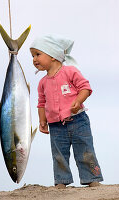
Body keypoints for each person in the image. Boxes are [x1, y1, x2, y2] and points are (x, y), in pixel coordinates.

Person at [30, 34, 103, 188]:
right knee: (59, 155)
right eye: (33, 56)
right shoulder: (42, 83)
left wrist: (79, 101)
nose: (34, 59)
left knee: (85, 150)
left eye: (38, 54)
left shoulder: (70, 71)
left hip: (78, 120)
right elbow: (41, 103)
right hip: (56, 125)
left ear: (53, 56)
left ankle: (92, 178)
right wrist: (42, 121)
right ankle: (61, 181)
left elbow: (85, 88)